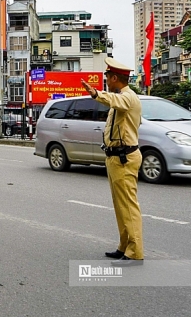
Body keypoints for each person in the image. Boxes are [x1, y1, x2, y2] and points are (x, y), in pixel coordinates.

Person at [81, 58, 144, 267]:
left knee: (128, 206)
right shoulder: (122, 97)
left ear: (115, 78)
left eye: (108, 76)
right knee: (120, 206)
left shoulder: (127, 97)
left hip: (124, 158)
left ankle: (135, 253)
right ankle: (125, 245)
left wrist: (95, 93)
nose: (106, 79)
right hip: (116, 158)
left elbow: (114, 102)